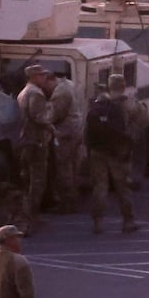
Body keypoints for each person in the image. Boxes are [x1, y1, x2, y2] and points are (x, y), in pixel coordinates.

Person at [86, 74, 139, 234]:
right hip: (118, 151)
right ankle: (128, 221)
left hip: (98, 151)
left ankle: (98, 222)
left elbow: (87, 130)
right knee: (123, 187)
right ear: (123, 85)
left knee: (100, 186)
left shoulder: (98, 104)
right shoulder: (130, 104)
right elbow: (140, 123)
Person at [15, 65, 55, 232]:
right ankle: (30, 217)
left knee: (27, 180)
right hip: (36, 141)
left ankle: (27, 216)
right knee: (37, 180)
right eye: (42, 75)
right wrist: (51, 127)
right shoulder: (36, 93)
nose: (45, 78)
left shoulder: (23, 92)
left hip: (25, 140)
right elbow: (39, 117)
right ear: (34, 77)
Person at [46, 73, 84, 212]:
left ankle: (66, 203)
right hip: (75, 130)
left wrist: (45, 120)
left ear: (51, 79)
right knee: (73, 166)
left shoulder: (61, 91)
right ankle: (73, 199)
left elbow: (56, 114)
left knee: (64, 167)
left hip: (65, 133)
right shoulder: (70, 84)